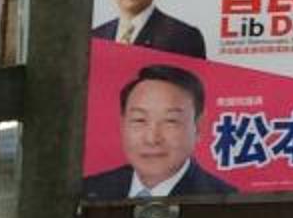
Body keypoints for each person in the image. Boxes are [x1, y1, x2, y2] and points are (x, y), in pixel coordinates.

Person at [80, 64, 236, 200]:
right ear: (122, 124)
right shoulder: (89, 190)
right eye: (139, 120)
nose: (152, 138)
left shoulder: (223, 198)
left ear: (199, 127)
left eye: (170, 121)